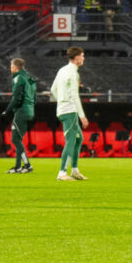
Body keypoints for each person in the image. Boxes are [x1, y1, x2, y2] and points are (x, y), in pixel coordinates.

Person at [51, 46, 89, 182]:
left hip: (62, 109)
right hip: (70, 110)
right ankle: (62, 173)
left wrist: (60, 102)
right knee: (71, 140)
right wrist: (82, 116)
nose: (83, 58)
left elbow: (53, 89)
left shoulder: (62, 70)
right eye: (83, 56)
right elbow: (74, 94)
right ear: (77, 57)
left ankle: (74, 170)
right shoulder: (73, 73)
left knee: (79, 139)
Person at [4, 57, 37, 174]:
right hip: (30, 110)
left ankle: (27, 165)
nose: (10, 68)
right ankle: (18, 166)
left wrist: (6, 111)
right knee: (18, 139)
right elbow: (35, 96)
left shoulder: (18, 78)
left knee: (14, 139)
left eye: (11, 65)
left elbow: (16, 98)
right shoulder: (30, 78)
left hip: (21, 111)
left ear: (15, 67)